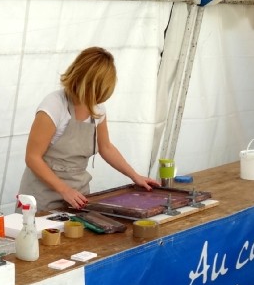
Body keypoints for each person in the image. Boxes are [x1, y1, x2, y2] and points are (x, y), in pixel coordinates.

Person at [17, 46, 160, 211]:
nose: (97, 100)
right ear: (87, 83)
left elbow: (106, 147)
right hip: (41, 197)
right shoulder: (54, 105)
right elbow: (32, 157)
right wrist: (64, 190)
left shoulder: (98, 109)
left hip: (78, 195)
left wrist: (135, 176)